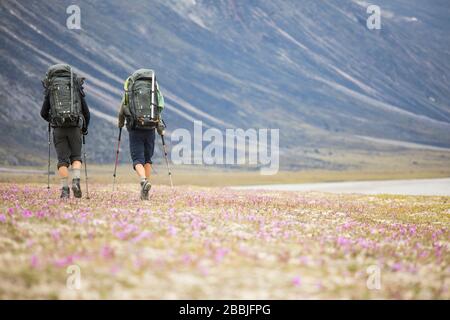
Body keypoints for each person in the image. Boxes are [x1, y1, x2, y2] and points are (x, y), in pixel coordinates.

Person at [40, 64, 90, 199]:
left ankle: (65, 190)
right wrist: (84, 128)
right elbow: (86, 111)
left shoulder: (51, 87)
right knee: (76, 157)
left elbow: (43, 112)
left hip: (58, 129)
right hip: (75, 127)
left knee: (62, 160)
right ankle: (76, 181)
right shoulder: (74, 85)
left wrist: (53, 120)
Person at [117, 69, 165, 200]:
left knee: (138, 159)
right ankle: (145, 191)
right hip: (150, 127)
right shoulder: (154, 88)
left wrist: (120, 123)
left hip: (135, 128)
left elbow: (123, 108)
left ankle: (143, 181)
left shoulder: (131, 88)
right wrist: (160, 128)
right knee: (147, 159)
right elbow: (159, 107)